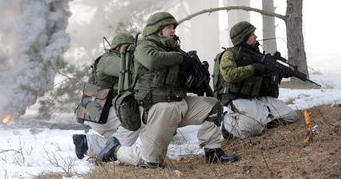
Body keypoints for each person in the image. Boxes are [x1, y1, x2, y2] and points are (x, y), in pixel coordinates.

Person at [96, 12, 238, 168]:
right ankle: (115, 150)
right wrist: (181, 59)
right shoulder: (144, 46)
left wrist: (195, 78)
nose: (173, 31)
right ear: (157, 30)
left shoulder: (174, 49)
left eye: (173, 28)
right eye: (169, 27)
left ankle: (213, 153)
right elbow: (152, 59)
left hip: (179, 104)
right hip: (157, 109)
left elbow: (179, 81)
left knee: (212, 105)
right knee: (150, 162)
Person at [217, 21, 298, 139]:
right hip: (240, 99)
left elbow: (265, 79)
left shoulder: (257, 54)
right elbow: (229, 75)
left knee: (291, 116)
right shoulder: (229, 54)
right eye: (252, 34)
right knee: (250, 130)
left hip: (259, 98)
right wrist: (253, 68)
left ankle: (263, 122)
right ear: (242, 38)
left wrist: (278, 73)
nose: (256, 36)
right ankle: (227, 123)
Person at [72, 33, 139, 159]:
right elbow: (131, 69)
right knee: (135, 119)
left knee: (115, 140)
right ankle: (113, 153)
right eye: (129, 48)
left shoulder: (113, 58)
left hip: (99, 112)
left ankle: (87, 143)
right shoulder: (109, 59)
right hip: (99, 112)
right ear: (118, 47)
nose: (132, 51)